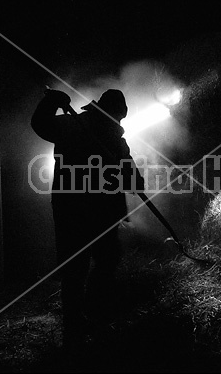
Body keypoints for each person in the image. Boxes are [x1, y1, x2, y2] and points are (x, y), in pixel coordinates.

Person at [31, 88, 144, 351]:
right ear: (111, 112)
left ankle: (92, 316)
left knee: (107, 261)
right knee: (75, 269)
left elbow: (126, 169)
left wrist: (134, 179)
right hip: (75, 210)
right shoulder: (73, 125)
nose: (120, 121)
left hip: (103, 212)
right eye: (118, 116)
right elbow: (40, 124)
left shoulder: (115, 138)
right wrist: (50, 102)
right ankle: (74, 330)